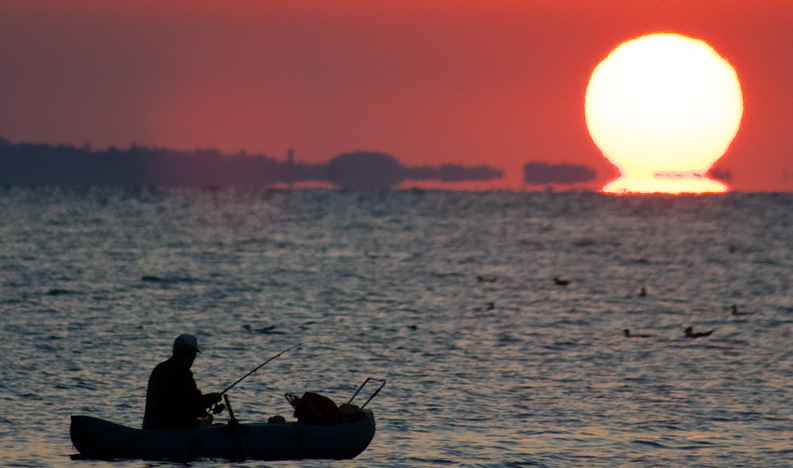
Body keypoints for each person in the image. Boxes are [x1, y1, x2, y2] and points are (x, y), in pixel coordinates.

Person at [142, 334, 222, 429]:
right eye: (194, 353)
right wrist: (212, 398)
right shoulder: (182, 373)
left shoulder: (160, 368)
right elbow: (193, 404)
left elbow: (183, 401)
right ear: (189, 352)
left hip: (151, 427)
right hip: (173, 430)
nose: (194, 357)